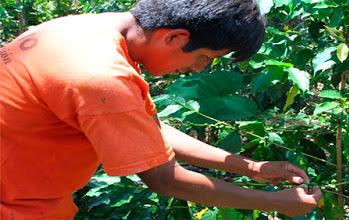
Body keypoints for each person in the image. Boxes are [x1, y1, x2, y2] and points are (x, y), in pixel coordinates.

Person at [0, 0, 321, 218]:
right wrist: (274, 202)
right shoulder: (102, 76)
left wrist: (253, 168)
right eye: (204, 58)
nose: (198, 70)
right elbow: (164, 179)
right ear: (176, 37)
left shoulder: (83, 29)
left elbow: (147, 131)